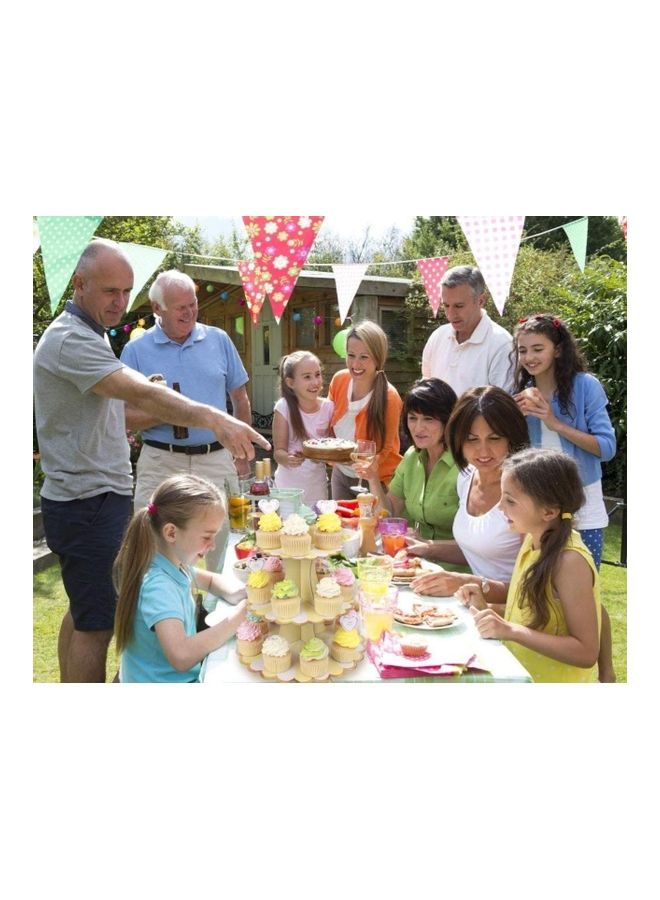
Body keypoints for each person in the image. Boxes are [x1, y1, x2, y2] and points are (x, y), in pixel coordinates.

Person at [33, 239, 268, 683]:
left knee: (85, 608)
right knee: (97, 623)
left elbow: (125, 407)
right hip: (88, 500)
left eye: (126, 291)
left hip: (89, 497)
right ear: (79, 284)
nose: (121, 302)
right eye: (110, 291)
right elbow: (139, 395)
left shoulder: (90, 333)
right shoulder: (70, 339)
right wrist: (214, 417)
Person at [120, 269, 252, 576]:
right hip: (161, 460)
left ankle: (216, 615)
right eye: (180, 307)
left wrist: (242, 452)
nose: (190, 312)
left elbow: (240, 398)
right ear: (157, 309)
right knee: (151, 541)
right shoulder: (135, 352)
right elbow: (121, 415)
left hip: (216, 458)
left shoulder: (218, 340)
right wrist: (168, 411)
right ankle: (160, 614)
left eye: (192, 304)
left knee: (226, 543)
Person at [512, 313, 617, 682]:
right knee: (542, 584)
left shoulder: (586, 386)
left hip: (584, 506)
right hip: (543, 508)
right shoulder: (522, 394)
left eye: (538, 348)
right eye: (523, 350)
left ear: (558, 349)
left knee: (587, 594)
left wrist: (554, 421)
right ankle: (543, 655)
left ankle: (605, 673)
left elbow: (607, 447)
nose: (529, 357)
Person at [458, 448, 601, 683]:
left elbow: (586, 651)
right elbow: (527, 614)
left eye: (510, 501)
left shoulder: (569, 561)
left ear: (549, 511)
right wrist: (484, 605)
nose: (500, 507)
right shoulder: (531, 541)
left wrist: (510, 631)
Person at [113, 474, 246, 682]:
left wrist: (248, 594)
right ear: (171, 533)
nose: (212, 545)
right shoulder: (158, 586)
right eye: (206, 536)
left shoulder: (172, 564)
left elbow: (211, 581)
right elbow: (181, 656)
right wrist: (241, 616)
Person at [410, 386, 529, 603]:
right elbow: (479, 547)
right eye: (472, 439)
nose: (483, 451)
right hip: (474, 608)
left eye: (494, 438)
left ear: (512, 437)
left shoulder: (527, 492)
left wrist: (466, 583)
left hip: (513, 620)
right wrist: (426, 548)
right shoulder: (466, 477)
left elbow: (531, 591)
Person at [352, 378, 464, 566]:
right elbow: (388, 513)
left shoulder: (464, 465)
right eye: (413, 418)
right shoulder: (412, 457)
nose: (418, 428)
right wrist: (373, 478)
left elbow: (478, 544)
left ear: (448, 420)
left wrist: (426, 545)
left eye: (428, 419)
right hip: (417, 565)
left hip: (459, 572)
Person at [328, 320, 403, 499]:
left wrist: (367, 470)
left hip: (375, 480)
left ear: (378, 358)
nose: (356, 364)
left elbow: (385, 449)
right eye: (351, 355)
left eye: (364, 357)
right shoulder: (339, 380)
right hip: (341, 475)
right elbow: (329, 426)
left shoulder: (389, 397)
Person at [421, 265, 513, 395]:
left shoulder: (502, 344)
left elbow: (501, 407)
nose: (451, 314)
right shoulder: (438, 336)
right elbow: (425, 389)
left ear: (480, 301)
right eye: (446, 305)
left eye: (459, 306)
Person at [272, 351, 334, 505]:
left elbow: (333, 446)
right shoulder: (283, 407)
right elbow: (278, 453)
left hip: (317, 486)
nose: (315, 382)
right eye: (307, 377)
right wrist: (288, 459)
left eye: (317, 374)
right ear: (291, 383)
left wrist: (328, 457)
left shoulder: (329, 407)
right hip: (288, 488)